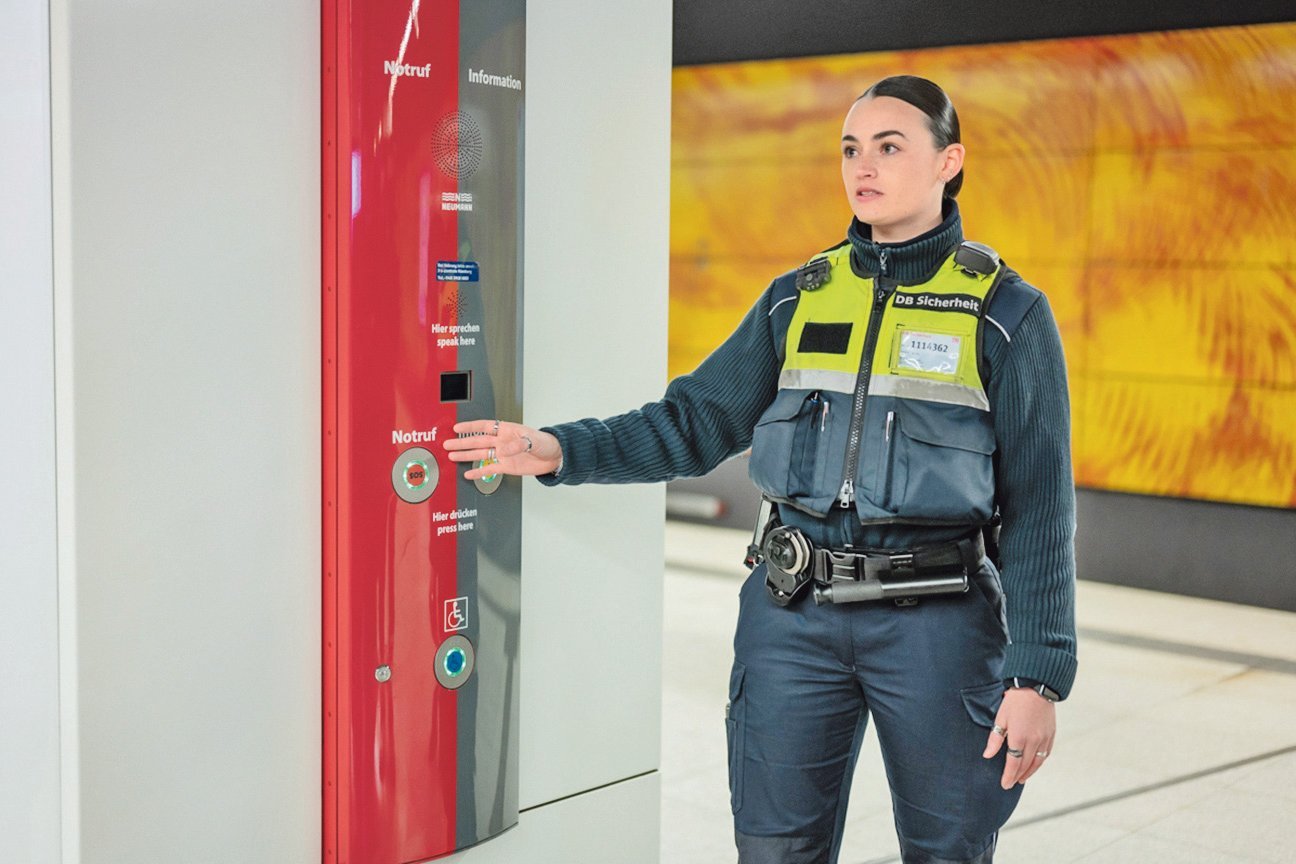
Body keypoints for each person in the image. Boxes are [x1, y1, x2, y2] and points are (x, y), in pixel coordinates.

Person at [444, 75, 1077, 864]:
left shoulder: (1005, 311)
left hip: (938, 626)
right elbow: (695, 419)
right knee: (775, 849)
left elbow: (1042, 503)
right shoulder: (799, 297)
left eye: (889, 146)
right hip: (793, 618)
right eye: (851, 148)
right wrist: (561, 449)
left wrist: (1038, 676)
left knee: (949, 847)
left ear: (949, 161)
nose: (863, 166)